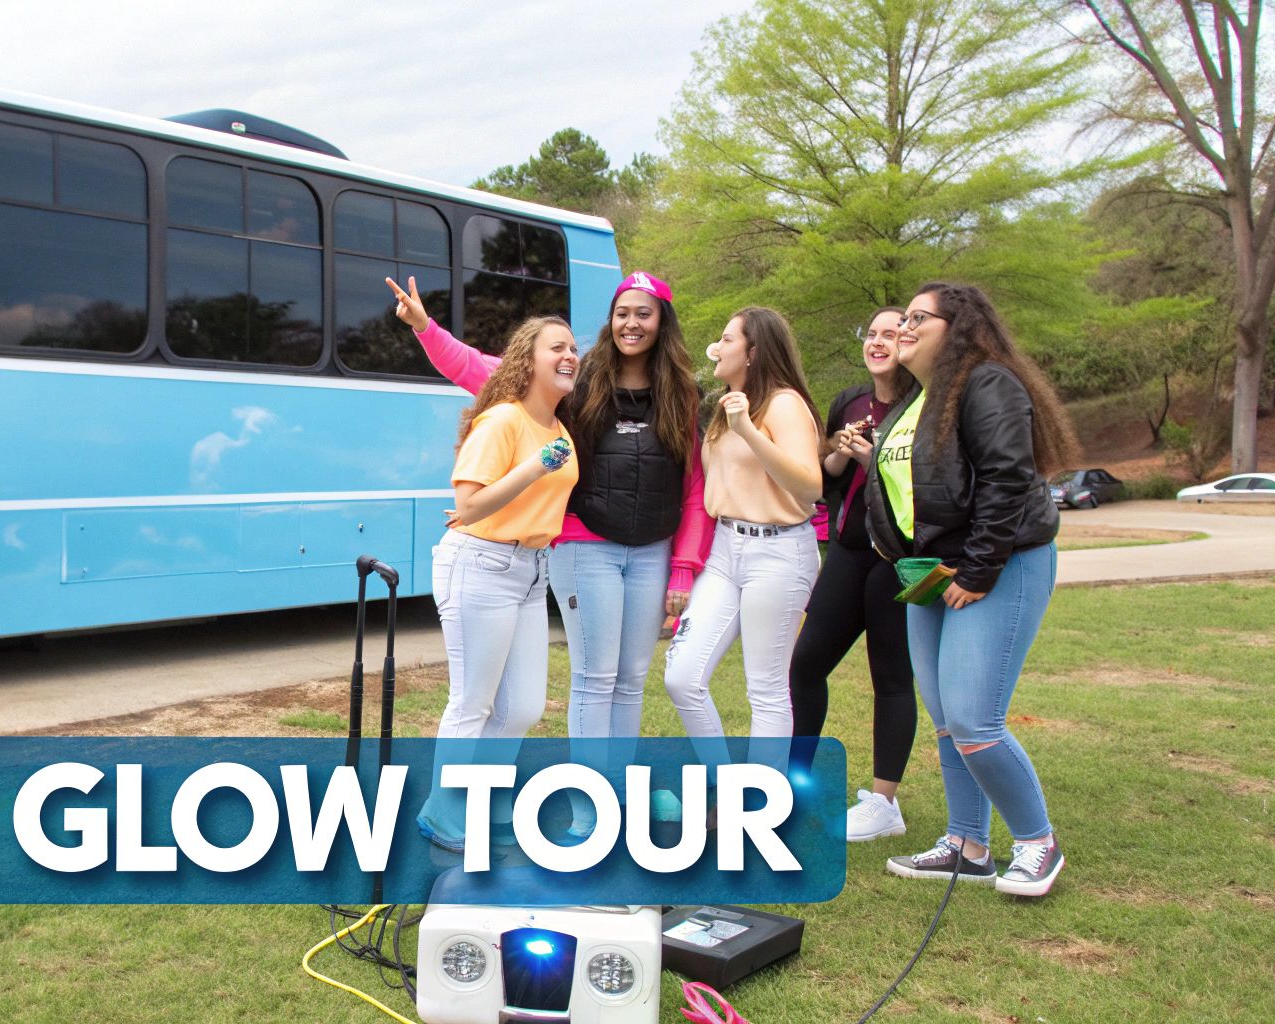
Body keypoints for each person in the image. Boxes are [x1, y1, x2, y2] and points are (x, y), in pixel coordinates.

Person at [387, 272, 708, 838]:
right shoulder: (559, 398)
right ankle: (477, 809)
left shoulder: (665, 399)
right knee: (521, 692)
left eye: (645, 313)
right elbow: (481, 370)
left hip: (552, 563)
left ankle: (574, 800)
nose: (631, 323)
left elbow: (693, 486)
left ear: (663, 322)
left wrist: (682, 564)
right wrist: (427, 328)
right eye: (621, 312)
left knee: (561, 696)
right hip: (534, 556)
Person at [866, 282, 1077, 897]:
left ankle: (1038, 843)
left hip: (996, 568)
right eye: (901, 317)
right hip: (926, 573)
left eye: (916, 318)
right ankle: (967, 844)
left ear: (957, 327)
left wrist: (980, 570)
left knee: (974, 719)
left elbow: (1008, 479)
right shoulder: (916, 400)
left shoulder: (987, 383)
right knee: (944, 719)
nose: (902, 327)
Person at [415, 315, 579, 850]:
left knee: (525, 706)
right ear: (527, 359)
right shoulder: (503, 420)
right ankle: (444, 811)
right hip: (482, 565)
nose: (570, 355)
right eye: (558, 347)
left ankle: (477, 796)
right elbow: (469, 504)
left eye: (574, 348)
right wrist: (532, 469)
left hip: (532, 571)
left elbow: (536, 503)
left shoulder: (558, 430)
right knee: (472, 703)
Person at [662, 307, 822, 764]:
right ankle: (726, 782)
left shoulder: (782, 404)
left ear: (753, 352)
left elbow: (810, 485)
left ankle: (761, 809)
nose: (717, 345)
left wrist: (748, 430)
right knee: (681, 675)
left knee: (766, 687)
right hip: (726, 549)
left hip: (779, 551)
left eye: (727, 339)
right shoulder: (725, 407)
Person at [788, 307, 919, 842]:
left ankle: (884, 804)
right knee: (805, 663)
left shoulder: (923, 404)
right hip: (846, 550)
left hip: (896, 557)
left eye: (892, 333)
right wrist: (842, 454)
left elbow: (920, 479)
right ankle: (794, 785)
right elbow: (823, 482)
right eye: (872, 332)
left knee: (889, 676)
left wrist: (876, 455)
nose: (879, 341)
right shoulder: (849, 400)